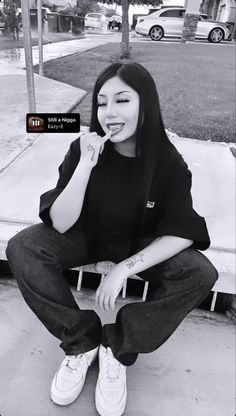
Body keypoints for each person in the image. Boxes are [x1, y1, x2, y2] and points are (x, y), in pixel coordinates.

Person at [6, 62, 218, 416]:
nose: (109, 113)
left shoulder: (168, 162)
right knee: (23, 247)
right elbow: (59, 223)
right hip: (83, 235)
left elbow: (183, 229)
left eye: (122, 100)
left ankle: (117, 346)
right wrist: (85, 166)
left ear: (145, 106)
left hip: (139, 241)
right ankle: (80, 340)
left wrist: (125, 268)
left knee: (200, 273)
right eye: (102, 103)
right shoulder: (84, 149)